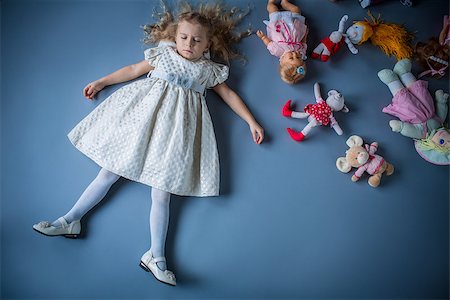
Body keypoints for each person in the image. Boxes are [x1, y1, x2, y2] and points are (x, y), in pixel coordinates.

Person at [33, 2, 264, 287]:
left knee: (162, 195)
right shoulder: (163, 54)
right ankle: (70, 219)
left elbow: (228, 96)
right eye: (183, 37)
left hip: (175, 138)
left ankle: (156, 256)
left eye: (196, 40)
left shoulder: (208, 70)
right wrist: (102, 82)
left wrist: (251, 121)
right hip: (143, 126)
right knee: (107, 174)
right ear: (175, 37)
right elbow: (132, 69)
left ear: (207, 44)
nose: (188, 44)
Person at [256, 0, 308, 84]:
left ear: (282, 61)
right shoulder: (301, 52)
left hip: (279, 26)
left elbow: (269, 43)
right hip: (295, 26)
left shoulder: (278, 51)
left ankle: (271, 3)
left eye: (291, 58)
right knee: (296, 10)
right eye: (298, 57)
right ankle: (284, 3)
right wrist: (305, 35)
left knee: (273, 9)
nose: (295, 54)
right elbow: (303, 43)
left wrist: (263, 37)